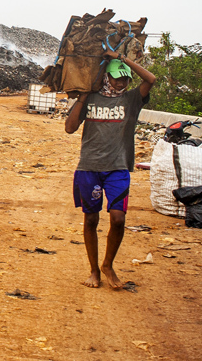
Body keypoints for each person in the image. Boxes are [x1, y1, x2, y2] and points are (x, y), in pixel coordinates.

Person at [65, 51, 156, 288]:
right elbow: (70, 128)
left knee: (118, 219)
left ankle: (108, 265)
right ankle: (94, 271)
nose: (122, 83)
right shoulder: (91, 98)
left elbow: (151, 79)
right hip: (89, 168)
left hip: (118, 168)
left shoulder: (132, 99)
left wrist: (123, 59)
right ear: (106, 77)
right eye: (117, 78)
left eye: (125, 79)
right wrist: (83, 96)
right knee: (91, 220)